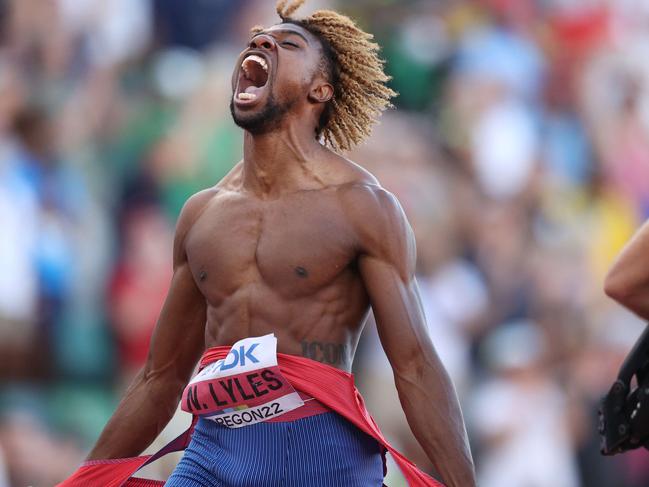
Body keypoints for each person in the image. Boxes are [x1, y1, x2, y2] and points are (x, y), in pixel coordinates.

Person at [59, 1, 475, 485]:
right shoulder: (202, 215)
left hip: (321, 455)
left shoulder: (362, 207)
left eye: (287, 43)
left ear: (320, 89)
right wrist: (84, 480)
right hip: (215, 452)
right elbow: (161, 378)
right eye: (257, 40)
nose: (261, 44)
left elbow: (416, 366)